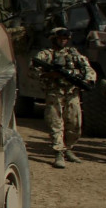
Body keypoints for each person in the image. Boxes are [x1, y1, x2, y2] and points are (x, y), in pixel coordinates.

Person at [33, 27, 96, 169]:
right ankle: (58, 153)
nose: (63, 41)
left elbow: (88, 69)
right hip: (54, 93)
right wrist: (50, 75)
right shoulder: (45, 55)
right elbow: (33, 72)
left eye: (66, 39)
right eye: (61, 38)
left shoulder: (74, 54)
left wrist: (87, 80)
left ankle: (68, 149)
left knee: (75, 125)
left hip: (72, 93)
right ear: (53, 39)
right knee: (56, 123)